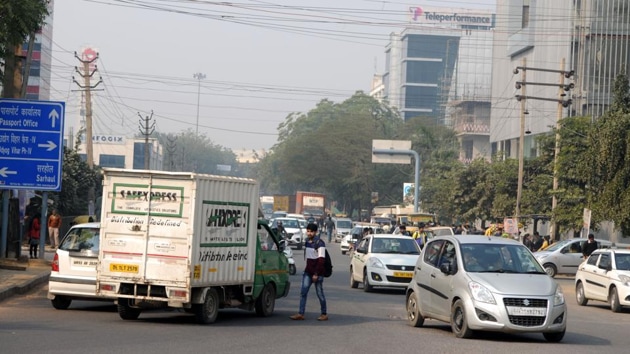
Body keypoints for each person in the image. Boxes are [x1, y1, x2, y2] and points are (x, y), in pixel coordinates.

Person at [290, 223, 328, 321]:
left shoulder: (320, 243)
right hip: (308, 271)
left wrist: (316, 274)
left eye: (311, 231)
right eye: (308, 231)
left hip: (317, 273)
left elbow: (321, 260)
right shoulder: (307, 242)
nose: (309, 233)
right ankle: (301, 313)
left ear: (315, 232)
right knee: (303, 292)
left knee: (320, 293)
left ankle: (324, 314)